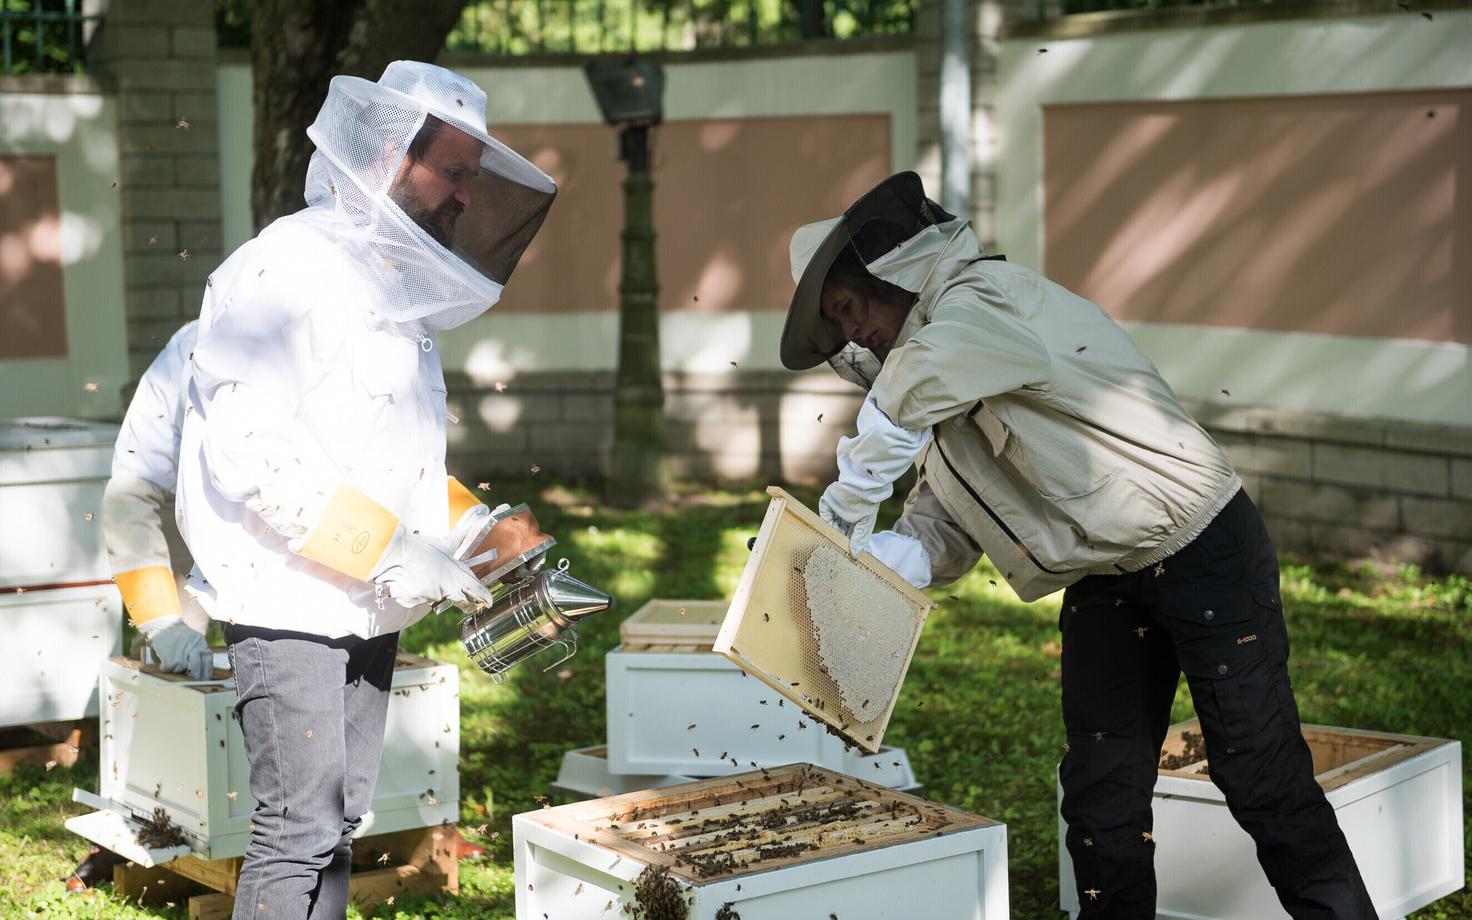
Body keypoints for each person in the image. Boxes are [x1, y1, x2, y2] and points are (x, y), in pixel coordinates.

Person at [780, 172, 1376, 919]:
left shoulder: (982, 305)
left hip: (1202, 550)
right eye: (839, 323)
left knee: (1262, 777)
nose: (854, 332)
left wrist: (842, 511)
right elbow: (944, 517)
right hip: (1106, 577)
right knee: (1100, 799)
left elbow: (911, 391)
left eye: (850, 307)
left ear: (889, 273)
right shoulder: (942, 397)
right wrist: (878, 565)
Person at [175, 61, 556, 919]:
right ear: (387, 156)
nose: (466, 195)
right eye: (453, 171)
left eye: (470, 175)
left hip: (365, 603)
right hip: (291, 601)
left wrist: (466, 542)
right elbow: (249, 452)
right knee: (296, 831)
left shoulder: (396, 301)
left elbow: (392, 459)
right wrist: (386, 549)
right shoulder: (284, 271)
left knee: (338, 822)